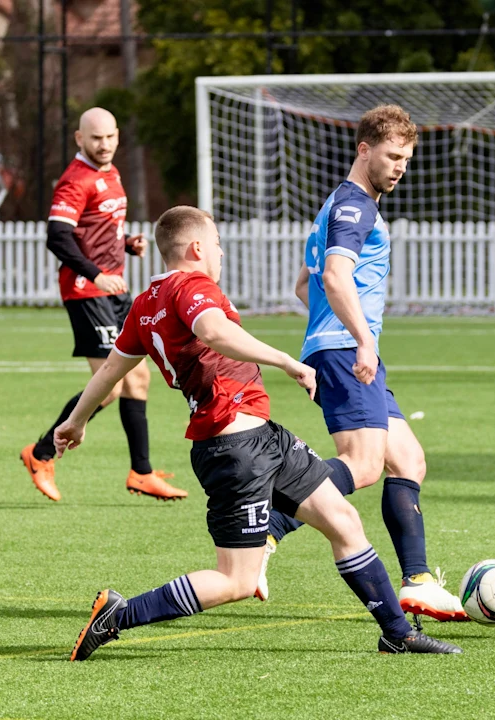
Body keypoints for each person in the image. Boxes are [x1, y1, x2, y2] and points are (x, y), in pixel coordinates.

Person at [57, 206, 461, 659]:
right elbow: (213, 330)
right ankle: (119, 614)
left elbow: (113, 367)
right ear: (195, 248)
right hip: (233, 447)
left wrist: (76, 421)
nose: (221, 252)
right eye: (215, 243)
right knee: (237, 581)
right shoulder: (190, 286)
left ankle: (397, 633)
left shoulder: (145, 303)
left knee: (344, 521)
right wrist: (286, 361)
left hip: (263, 437)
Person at [261, 104, 467, 623]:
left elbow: (300, 285)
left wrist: (330, 337)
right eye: (392, 156)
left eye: (406, 159)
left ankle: (417, 581)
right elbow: (332, 278)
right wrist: (359, 342)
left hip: (338, 347)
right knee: (364, 465)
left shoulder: (341, 204)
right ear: (364, 149)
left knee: (409, 461)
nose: (400, 166)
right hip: (347, 352)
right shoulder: (356, 207)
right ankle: (267, 525)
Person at [19, 107, 186, 502]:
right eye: (96, 138)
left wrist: (127, 243)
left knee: (139, 380)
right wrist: (95, 273)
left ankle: (141, 473)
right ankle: (41, 454)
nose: (105, 144)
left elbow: (97, 228)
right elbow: (58, 237)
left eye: (111, 137)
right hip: (87, 291)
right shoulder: (74, 181)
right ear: (80, 139)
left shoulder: (110, 173)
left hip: (114, 289)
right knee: (109, 386)